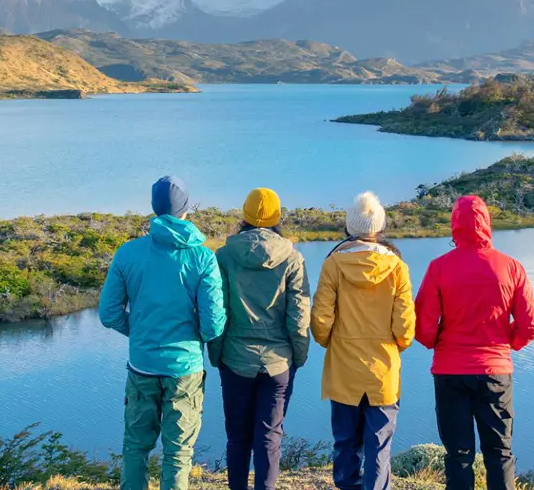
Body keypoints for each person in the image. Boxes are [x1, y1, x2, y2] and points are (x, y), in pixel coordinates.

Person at [99, 176, 226, 490]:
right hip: (185, 370)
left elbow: (108, 314)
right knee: (178, 452)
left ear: (155, 208)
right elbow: (212, 327)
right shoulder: (203, 257)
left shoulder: (128, 253)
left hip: (141, 365)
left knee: (135, 447)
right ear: (186, 209)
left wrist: (141, 332)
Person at [414, 195, 534, 490]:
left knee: (458, 454)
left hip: (449, 372)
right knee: (499, 453)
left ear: (454, 225)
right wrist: (504, 343)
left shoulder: (439, 268)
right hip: (495, 373)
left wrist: (440, 342)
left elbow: (422, 327)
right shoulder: (511, 267)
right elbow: (532, 324)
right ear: (487, 223)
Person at [311, 191, 415, 490]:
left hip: (344, 370)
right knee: (379, 447)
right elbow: (405, 325)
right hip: (383, 370)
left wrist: (331, 343)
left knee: (345, 443)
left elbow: (320, 320)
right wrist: (395, 346)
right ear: (379, 228)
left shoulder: (333, 264)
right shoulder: (397, 267)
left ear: (350, 226)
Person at [209, 188, 311, 490]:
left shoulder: (224, 256)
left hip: (235, 359)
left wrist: (217, 356)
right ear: (276, 218)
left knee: (237, 437)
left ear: (245, 216)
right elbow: (299, 316)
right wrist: (298, 357)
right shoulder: (292, 258)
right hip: (278, 363)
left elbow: (219, 313)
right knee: (270, 438)